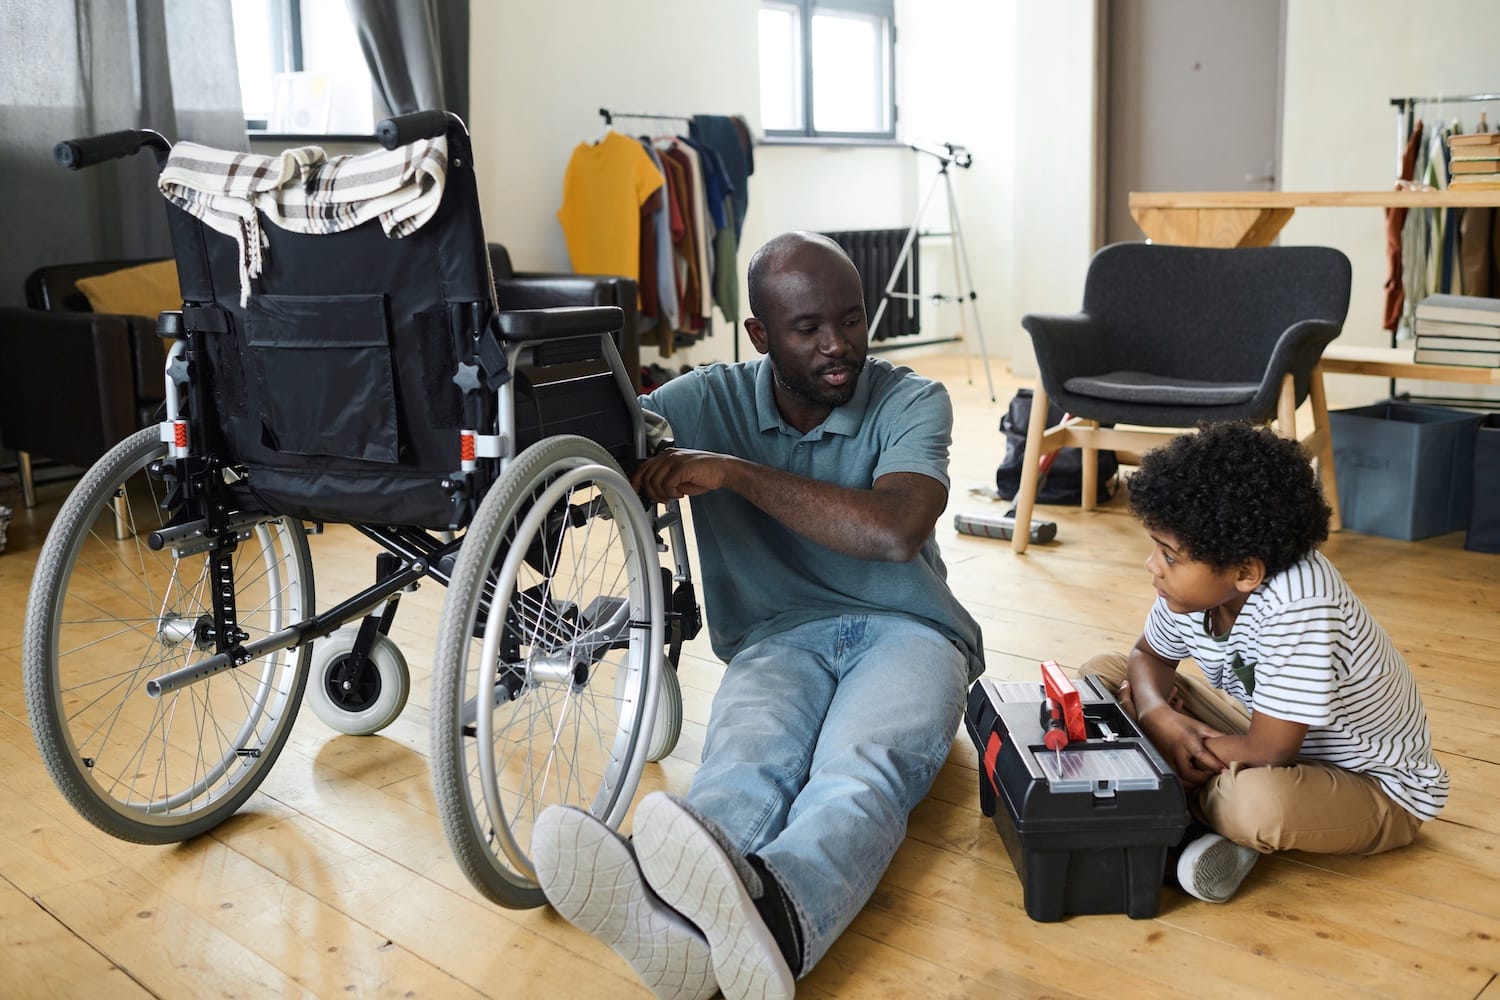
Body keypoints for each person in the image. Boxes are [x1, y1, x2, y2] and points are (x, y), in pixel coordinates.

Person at [529, 231, 984, 1000]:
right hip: (778, 636)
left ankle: (779, 919)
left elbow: (895, 530)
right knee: (744, 762)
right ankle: (669, 918)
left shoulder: (911, 397)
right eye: (808, 330)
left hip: (912, 631)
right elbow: (587, 439)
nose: (839, 345)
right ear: (760, 335)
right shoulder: (700, 402)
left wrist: (735, 474)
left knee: (859, 769)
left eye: (851, 318)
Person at [1082, 422, 1448, 905]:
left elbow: (1271, 751)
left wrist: (1169, 732)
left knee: (1250, 805)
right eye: (1155, 547)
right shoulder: (1195, 594)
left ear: (1245, 572)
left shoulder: (1301, 604)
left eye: (1169, 555)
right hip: (1266, 736)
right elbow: (1147, 656)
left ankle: (1173, 806)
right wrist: (1158, 716)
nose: (1152, 565)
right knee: (1102, 672)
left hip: (1372, 786)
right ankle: (1180, 798)